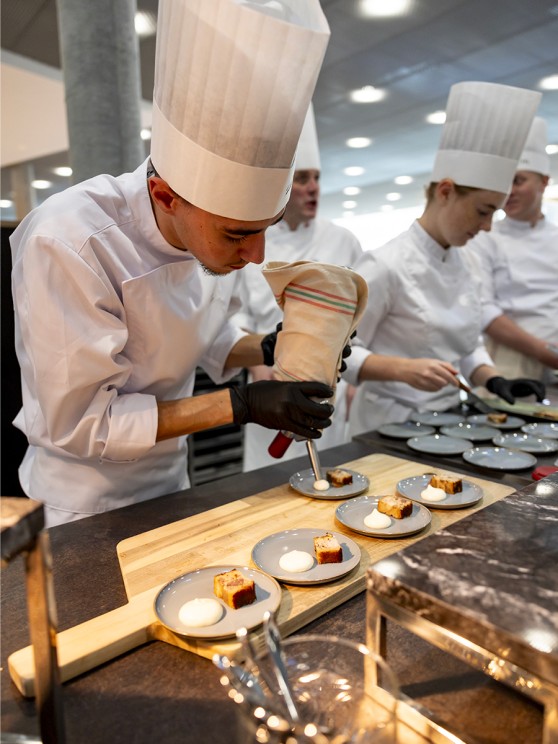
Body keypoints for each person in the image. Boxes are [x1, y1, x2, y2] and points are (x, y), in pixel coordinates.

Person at [9, 0, 331, 526]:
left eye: (264, 230)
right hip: (84, 508)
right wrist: (242, 405)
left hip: (173, 488)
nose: (255, 256)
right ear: (164, 195)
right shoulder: (70, 241)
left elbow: (211, 338)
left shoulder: (207, 246)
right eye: (237, 234)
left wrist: (276, 345)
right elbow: (85, 423)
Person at [343, 81, 545, 435]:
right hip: (387, 424)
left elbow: (467, 346)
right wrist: (402, 370)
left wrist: (494, 379)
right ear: (446, 191)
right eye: (483, 212)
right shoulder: (384, 264)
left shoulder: (468, 262)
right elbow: (339, 353)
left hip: (450, 420)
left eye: (494, 214)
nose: (486, 227)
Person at [230, 104, 363, 470]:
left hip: (325, 392)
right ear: (282, 185)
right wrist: (261, 369)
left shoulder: (344, 240)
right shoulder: (251, 242)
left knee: (331, 480)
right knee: (268, 489)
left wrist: (349, 383)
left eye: (317, 178)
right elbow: (232, 322)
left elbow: (356, 320)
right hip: (269, 386)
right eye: (302, 179)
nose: (313, 188)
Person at [465, 116, 558, 382]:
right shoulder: (485, 237)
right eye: (504, 183)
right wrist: (542, 350)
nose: (509, 192)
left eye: (518, 181)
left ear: (544, 182)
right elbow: (483, 309)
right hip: (508, 360)